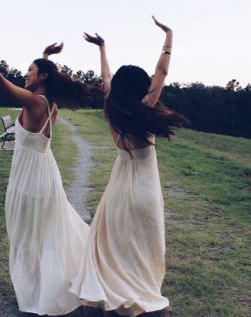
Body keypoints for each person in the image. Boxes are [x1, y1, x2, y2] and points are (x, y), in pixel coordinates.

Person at [0, 37, 95, 315]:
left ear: (43, 76)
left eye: (30, 70)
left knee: (26, 235)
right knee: (40, 234)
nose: (25, 74)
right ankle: (40, 283)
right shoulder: (49, 103)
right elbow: (42, 74)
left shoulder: (35, 103)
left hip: (31, 179)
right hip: (43, 175)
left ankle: (37, 290)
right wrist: (45, 54)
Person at [69, 16, 188, 316]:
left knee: (118, 243)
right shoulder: (145, 108)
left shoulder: (111, 107)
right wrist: (169, 36)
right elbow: (162, 69)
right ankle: (140, 291)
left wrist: (102, 48)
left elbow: (106, 78)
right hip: (145, 187)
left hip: (121, 185)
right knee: (144, 243)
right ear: (141, 88)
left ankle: (115, 291)